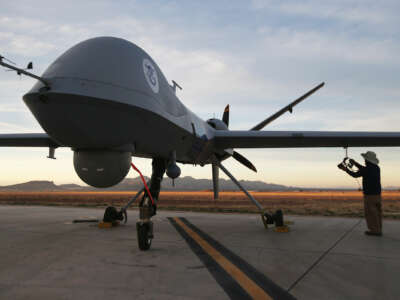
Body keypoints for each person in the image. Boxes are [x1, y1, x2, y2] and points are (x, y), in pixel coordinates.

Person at [338, 151, 382, 236]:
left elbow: (355, 174)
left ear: (368, 160)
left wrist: (345, 169)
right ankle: (378, 229)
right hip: (377, 195)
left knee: (370, 213)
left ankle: (374, 231)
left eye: (365, 159)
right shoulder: (376, 168)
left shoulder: (368, 169)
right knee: (377, 213)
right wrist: (355, 163)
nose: (364, 161)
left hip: (370, 195)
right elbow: (363, 169)